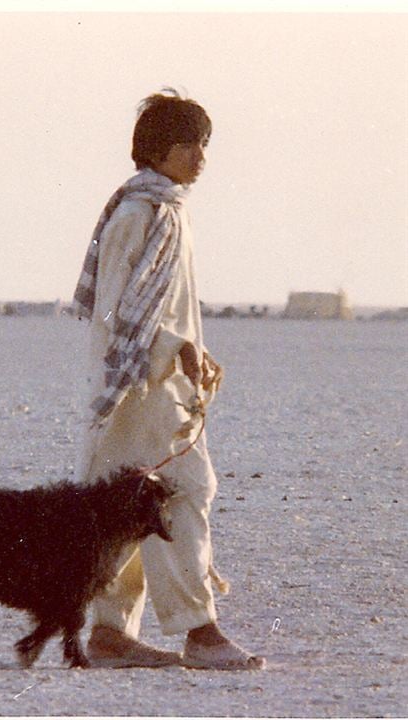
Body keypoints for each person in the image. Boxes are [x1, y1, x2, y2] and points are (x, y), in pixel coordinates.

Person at [72, 89, 265, 671]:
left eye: (205, 144)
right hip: (137, 392)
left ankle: (109, 634)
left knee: (132, 507)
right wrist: (173, 351)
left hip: (165, 390)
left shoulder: (169, 211)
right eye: (190, 144)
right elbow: (115, 314)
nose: (201, 157)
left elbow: (170, 310)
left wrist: (194, 352)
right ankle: (199, 632)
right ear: (159, 149)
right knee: (177, 496)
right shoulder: (138, 215)